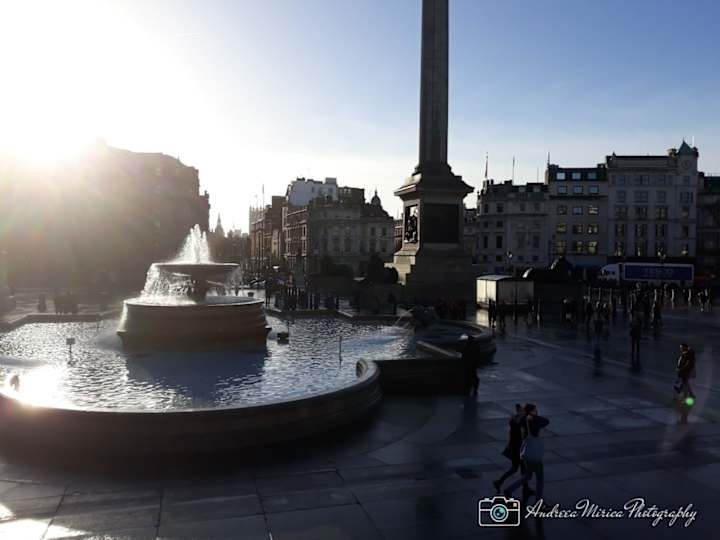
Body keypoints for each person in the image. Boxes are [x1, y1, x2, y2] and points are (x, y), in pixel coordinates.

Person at [504, 404, 550, 504]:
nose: (536, 411)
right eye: (535, 410)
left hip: (527, 453)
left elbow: (517, 421)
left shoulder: (523, 421)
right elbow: (546, 421)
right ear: (531, 412)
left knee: (527, 476)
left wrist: (526, 415)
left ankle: (509, 490)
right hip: (534, 455)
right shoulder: (534, 422)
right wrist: (533, 416)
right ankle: (538, 501)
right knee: (540, 479)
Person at [493, 404, 533, 496]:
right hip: (518, 449)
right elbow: (522, 434)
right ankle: (499, 482)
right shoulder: (520, 422)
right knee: (517, 469)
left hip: (516, 448)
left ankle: (525, 488)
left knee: (521, 469)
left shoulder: (515, 420)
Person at [676, 343, 696, 424]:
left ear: (685, 347)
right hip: (685, 373)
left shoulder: (688, 355)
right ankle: (688, 396)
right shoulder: (686, 354)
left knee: (685, 384)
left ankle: (688, 396)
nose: (680, 349)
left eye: (681, 347)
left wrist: (680, 369)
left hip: (685, 373)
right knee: (685, 384)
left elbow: (687, 365)